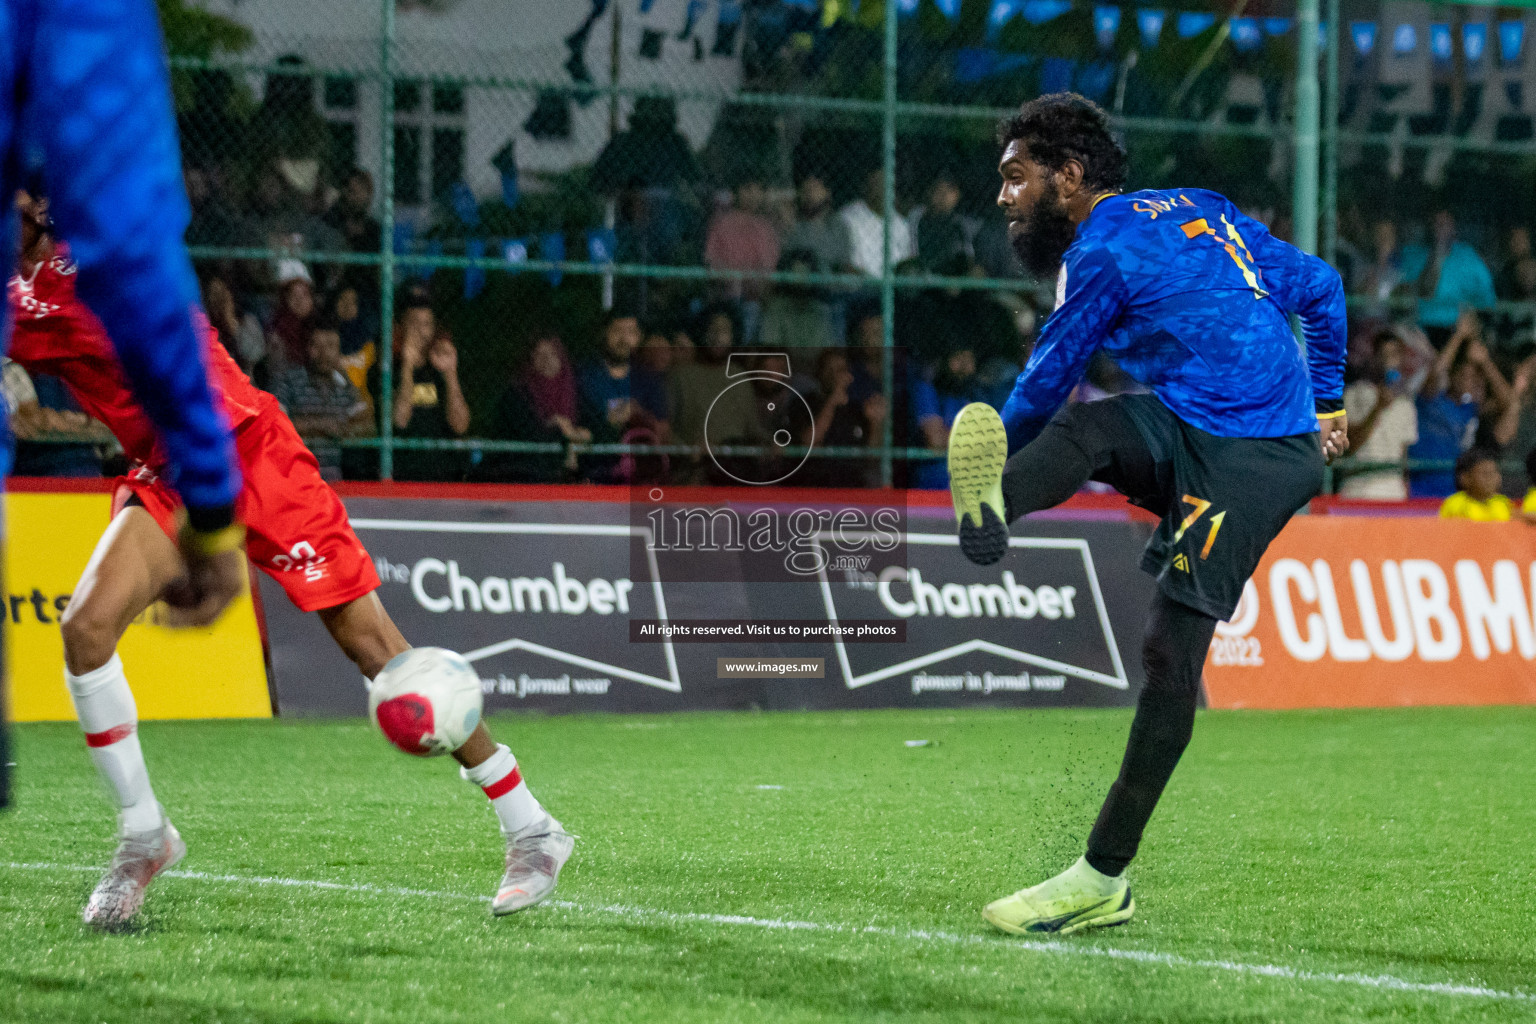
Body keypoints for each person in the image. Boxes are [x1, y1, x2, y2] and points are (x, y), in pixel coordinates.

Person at [7, 192, 573, 928]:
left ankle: (531, 827)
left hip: (243, 449)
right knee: (84, 629)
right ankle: (143, 836)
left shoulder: (106, 262)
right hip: (167, 467)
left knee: (380, 654)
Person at [947, 93, 1345, 936]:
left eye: (1017, 177)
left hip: (1252, 457)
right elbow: (1321, 287)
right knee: (1093, 428)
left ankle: (1101, 877)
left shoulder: (1102, 252)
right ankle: (992, 505)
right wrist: (1334, 400)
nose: (1004, 196)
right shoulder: (1204, 209)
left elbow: (1047, 377)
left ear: (1071, 176)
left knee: (1171, 653)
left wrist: (998, 436)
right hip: (1194, 419)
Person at [2, 0, 250, 812]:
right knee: (86, 629)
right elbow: (137, 262)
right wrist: (211, 510)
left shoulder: (53, 283)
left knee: (365, 638)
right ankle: (144, 832)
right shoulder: (81, 18)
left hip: (225, 438)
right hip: (188, 457)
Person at [1409, 313, 1518, 497]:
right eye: (1463, 374)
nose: (1468, 381)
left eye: (1474, 377)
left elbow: (1510, 404)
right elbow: (1436, 373)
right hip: (1422, 490)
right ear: (1453, 375)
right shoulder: (1431, 401)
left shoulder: (1471, 409)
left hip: (1459, 493)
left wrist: (1485, 362)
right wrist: (1458, 336)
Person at [372, 295, 471, 480]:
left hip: (445, 474)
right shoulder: (387, 370)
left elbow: (460, 425)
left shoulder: (442, 369)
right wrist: (408, 365)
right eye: (414, 323)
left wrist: (450, 373)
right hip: (404, 474)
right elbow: (400, 420)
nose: (420, 331)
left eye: (426, 324)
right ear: (400, 328)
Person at [268, 312, 373, 479]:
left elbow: (368, 424)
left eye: (331, 346)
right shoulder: (289, 380)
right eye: (318, 347)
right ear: (308, 348)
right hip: (294, 473)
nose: (325, 353)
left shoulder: (344, 383)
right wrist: (320, 425)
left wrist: (346, 428)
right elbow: (275, 424)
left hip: (336, 476)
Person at [1339, 330, 1417, 499]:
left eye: (1394, 354)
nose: (1388, 360)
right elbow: (1351, 445)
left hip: (1394, 491)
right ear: (1373, 357)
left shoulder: (1406, 405)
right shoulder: (1354, 394)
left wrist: (1406, 492)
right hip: (1358, 487)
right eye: (1383, 354)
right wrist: (1377, 408)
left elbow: (1403, 457)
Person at [1401, 209, 1496, 345]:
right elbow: (1422, 292)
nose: (1440, 228)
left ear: (1454, 228)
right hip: (1421, 329)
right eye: (1437, 224)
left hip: (1457, 329)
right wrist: (1437, 256)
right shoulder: (1415, 255)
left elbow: (1488, 300)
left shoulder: (1469, 257)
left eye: (1445, 224)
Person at [841, 167, 914, 278]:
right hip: (860, 286)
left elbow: (906, 263)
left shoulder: (901, 223)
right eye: (877, 184)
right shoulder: (848, 217)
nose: (883, 190)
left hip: (894, 287)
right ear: (866, 187)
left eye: (888, 185)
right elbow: (847, 265)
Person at [1438, 449, 1515, 520]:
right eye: (1485, 473)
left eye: (1494, 472)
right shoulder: (1455, 505)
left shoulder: (1503, 502)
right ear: (1465, 478)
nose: (1491, 478)